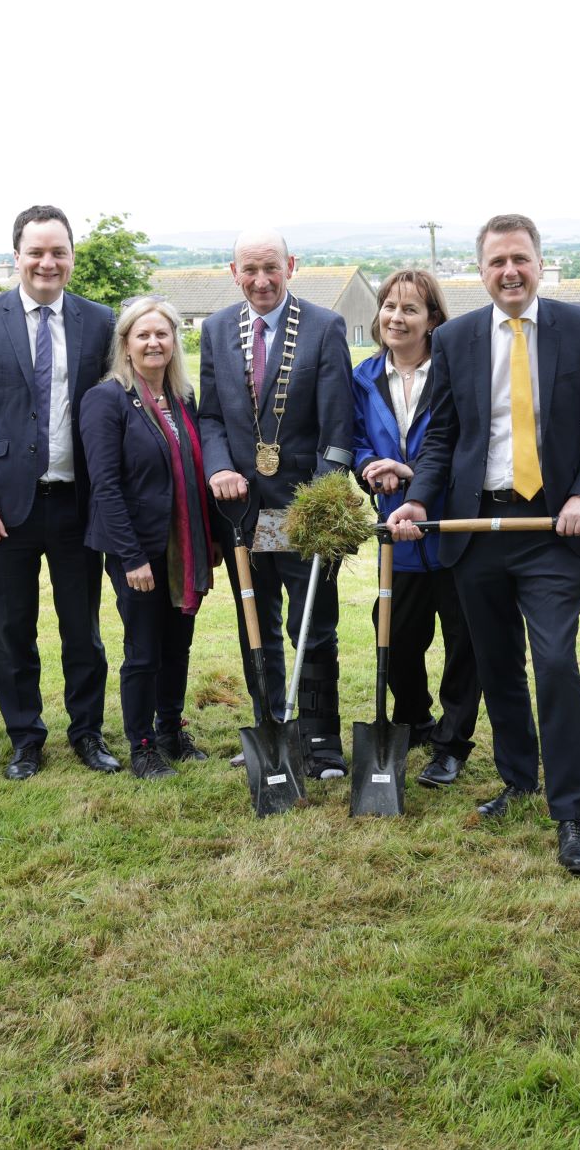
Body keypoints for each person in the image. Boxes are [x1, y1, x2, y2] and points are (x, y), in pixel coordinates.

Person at [389, 214, 580, 875]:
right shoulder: (457, 338)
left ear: (539, 263)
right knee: (496, 664)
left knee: (553, 662)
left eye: (519, 258)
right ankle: (518, 778)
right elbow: (441, 438)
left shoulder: (579, 330)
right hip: (474, 529)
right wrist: (418, 497)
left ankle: (570, 808)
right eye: (496, 262)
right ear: (481, 270)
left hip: (551, 529)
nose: (509, 272)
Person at [0, 205, 116, 780]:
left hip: (76, 503)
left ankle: (87, 732)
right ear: (16, 256)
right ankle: (26, 737)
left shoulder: (100, 322)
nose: (48, 262)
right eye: (37, 252)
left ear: (71, 255)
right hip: (3, 509)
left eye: (59, 251)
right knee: (12, 630)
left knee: (83, 629)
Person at [199, 229, 354, 778]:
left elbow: (339, 426)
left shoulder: (325, 326)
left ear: (291, 265)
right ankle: (270, 730)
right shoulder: (216, 330)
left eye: (271, 268)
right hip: (242, 509)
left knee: (313, 625)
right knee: (254, 624)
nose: (261, 281)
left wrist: (318, 503)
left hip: (302, 508)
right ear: (232, 272)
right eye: (250, 270)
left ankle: (320, 740)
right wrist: (218, 466)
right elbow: (211, 415)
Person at [351, 270, 481, 788]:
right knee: (397, 635)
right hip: (395, 536)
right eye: (389, 307)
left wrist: (416, 476)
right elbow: (356, 437)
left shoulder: (454, 374)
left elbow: (461, 440)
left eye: (410, 309)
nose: (396, 318)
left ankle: (451, 743)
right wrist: (371, 466)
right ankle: (413, 719)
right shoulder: (362, 377)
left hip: (452, 530)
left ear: (432, 320)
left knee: (462, 641)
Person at [81, 298, 217, 779]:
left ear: (175, 341)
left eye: (162, 334)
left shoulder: (183, 400)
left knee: (178, 644)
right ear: (126, 344)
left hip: (184, 547)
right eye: (143, 335)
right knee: (143, 650)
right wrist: (131, 556)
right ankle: (141, 745)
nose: (154, 342)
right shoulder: (106, 399)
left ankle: (169, 730)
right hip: (137, 550)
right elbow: (106, 486)